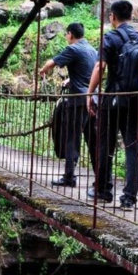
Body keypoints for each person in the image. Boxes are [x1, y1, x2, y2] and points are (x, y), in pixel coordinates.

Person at [85, 0, 138, 210]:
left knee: (106, 143)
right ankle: (129, 198)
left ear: (112, 17)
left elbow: (100, 66)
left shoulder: (111, 37)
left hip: (114, 99)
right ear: (131, 16)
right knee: (133, 145)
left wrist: (90, 93)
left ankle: (103, 189)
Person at [38, 22, 98, 187]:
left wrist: (42, 70)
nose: (66, 37)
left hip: (78, 101)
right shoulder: (93, 50)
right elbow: (90, 73)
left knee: (72, 138)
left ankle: (69, 177)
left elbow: (52, 62)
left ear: (70, 34)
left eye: (66, 34)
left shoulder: (73, 49)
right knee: (92, 141)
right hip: (93, 100)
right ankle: (100, 178)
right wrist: (71, 79)